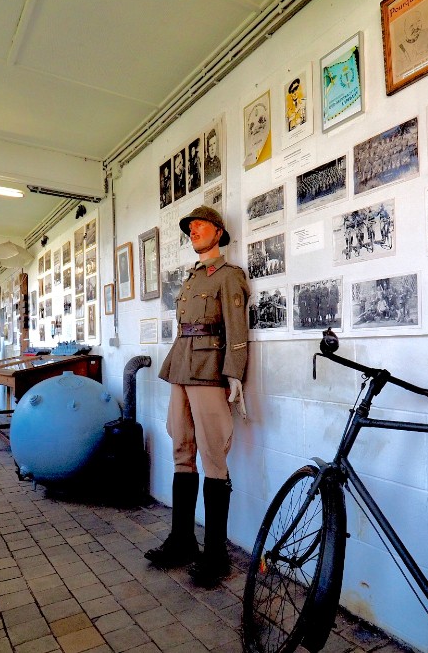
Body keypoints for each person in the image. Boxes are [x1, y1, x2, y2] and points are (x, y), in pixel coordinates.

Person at [148, 205, 250, 588]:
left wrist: (235, 373)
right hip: (181, 366)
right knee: (181, 450)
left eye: (200, 225)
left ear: (219, 231)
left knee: (213, 457)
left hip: (209, 371)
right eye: (190, 227)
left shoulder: (228, 276)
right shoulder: (192, 277)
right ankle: (182, 540)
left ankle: (216, 554)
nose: (193, 230)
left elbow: (237, 329)